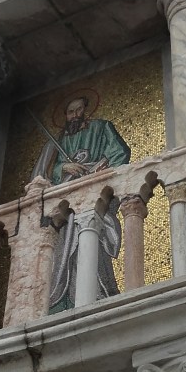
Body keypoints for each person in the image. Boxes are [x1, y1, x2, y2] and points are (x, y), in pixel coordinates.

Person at [31, 95, 131, 312]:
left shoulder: (102, 128)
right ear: (65, 116)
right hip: (64, 208)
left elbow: (120, 152)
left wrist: (98, 168)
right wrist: (63, 168)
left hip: (93, 197)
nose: (75, 115)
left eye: (78, 110)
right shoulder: (56, 143)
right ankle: (61, 301)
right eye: (70, 112)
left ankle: (96, 292)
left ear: (86, 110)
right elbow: (41, 176)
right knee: (61, 252)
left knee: (90, 242)